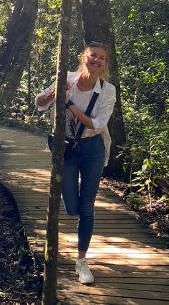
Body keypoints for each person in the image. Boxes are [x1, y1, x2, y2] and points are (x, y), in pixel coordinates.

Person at [35, 42, 117, 284]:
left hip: (92, 148)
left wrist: (69, 103)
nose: (97, 60)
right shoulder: (67, 78)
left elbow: (97, 124)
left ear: (105, 63)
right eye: (93, 55)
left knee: (87, 206)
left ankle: (81, 260)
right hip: (67, 148)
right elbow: (40, 104)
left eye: (102, 58)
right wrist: (54, 93)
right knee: (73, 205)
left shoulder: (107, 90)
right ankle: (80, 226)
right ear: (84, 57)